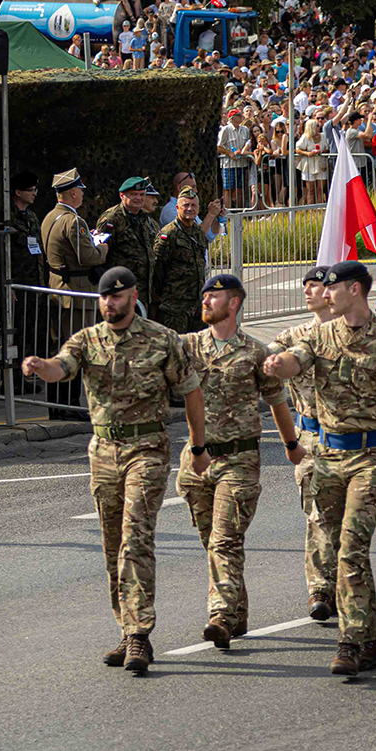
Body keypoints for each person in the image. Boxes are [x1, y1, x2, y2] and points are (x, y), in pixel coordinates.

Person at [22, 267, 206, 674]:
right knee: (112, 544)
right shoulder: (88, 340)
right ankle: (125, 628)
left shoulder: (161, 339)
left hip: (147, 447)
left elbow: (191, 390)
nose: (110, 303)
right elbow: (62, 367)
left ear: (132, 296)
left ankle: (140, 634)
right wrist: (40, 365)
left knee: (135, 535)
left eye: (117, 297)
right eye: (105, 298)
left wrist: (198, 446)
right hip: (103, 450)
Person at [263, 261, 376, 676]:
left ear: (354, 290)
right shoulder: (318, 336)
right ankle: (369, 640)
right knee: (334, 549)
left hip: (373, 457)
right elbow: (297, 359)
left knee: (352, 547)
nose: (324, 293)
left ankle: (350, 642)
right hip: (328, 458)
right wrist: (281, 366)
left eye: (331, 288)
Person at [177, 275, 299, 647]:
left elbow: (278, 401)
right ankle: (238, 611)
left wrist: (291, 444)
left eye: (213, 296)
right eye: (204, 296)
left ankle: (221, 615)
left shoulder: (255, 353)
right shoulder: (188, 346)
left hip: (239, 459)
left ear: (233, 303)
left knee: (225, 540)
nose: (205, 301)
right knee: (211, 540)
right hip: (197, 460)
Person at [268, 267, 342, 620]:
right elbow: (265, 360)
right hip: (312, 439)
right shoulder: (293, 336)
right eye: (306, 286)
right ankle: (321, 589)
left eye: (316, 286)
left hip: (354, 441)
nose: (309, 292)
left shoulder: (355, 334)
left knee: (348, 520)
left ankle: (353, 579)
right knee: (317, 517)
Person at [150, 188, 212, 334]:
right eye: (186, 205)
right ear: (177, 208)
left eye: (193, 205)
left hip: (197, 306)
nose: (189, 209)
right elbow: (157, 270)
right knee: (176, 350)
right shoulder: (168, 234)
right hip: (175, 308)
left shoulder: (198, 232)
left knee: (197, 350)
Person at [41, 168, 101, 293]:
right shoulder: (74, 221)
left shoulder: (49, 217)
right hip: (76, 290)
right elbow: (88, 258)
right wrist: (103, 248)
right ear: (73, 193)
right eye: (81, 190)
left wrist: (88, 236)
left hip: (57, 285)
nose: (83, 194)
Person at [97, 176, 158, 292]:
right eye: (134, 194)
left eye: (142, 194)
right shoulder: (111, 219)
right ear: (122, 195)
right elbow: (101, 254)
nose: (138, 198)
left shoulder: (146, 218)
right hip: (120, 287)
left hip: (145, 289)